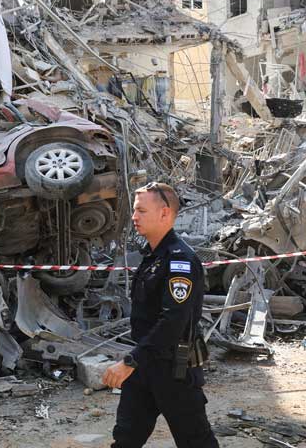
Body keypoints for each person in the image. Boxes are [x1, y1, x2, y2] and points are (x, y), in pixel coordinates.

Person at [102, 182, 218, 448]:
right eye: (134, 210)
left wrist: (130, 362)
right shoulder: (153, 256)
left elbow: (173, 322)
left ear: (164, 213)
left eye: (141, 211)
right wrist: (136, 362)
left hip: (173, 370)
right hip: (145, 365)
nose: (134, 217)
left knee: (196, 441)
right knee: (126, 438)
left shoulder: (180, 260)